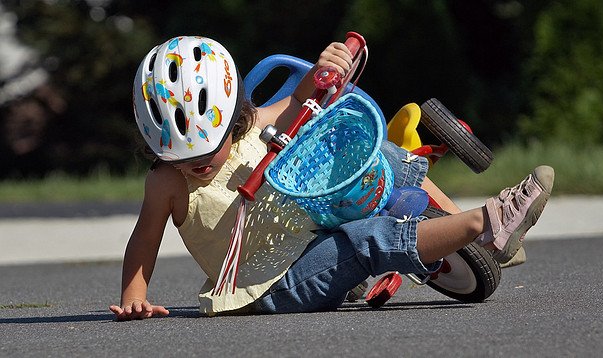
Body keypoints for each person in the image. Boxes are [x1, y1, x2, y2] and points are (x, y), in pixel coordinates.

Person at [109, 35, 554, 320]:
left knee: (375, 151)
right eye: (184, 158)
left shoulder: (259, 125)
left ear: (233, 119)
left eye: (210, 149)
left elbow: (306, 91)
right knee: (365, 239)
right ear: (157, 146)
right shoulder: (166, 183)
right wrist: (134, 295)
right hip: (267, 287)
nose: (199, 165)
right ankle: (485, 221)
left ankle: (482, 242)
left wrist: (329, 64)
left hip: (307, 235)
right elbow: (145, 239)